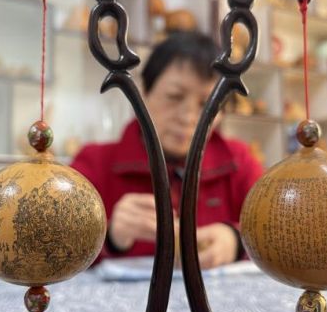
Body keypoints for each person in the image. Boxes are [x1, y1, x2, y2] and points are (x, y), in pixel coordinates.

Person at [71, 32, 263, 269]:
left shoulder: (239, 161)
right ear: (142, 94)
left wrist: (236, 240)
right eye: (174, 97)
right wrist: (110, 237)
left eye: (207, 104)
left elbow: (275, 233)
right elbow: (53, 246)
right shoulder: (95, 164)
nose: (188, 117)